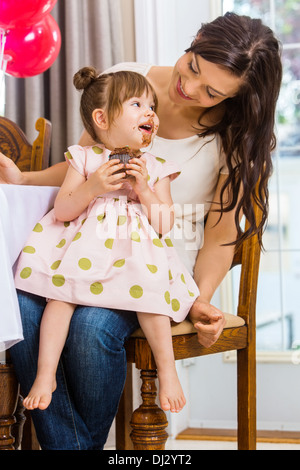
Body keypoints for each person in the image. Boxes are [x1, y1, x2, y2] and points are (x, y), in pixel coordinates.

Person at [0, 12, 282, 450]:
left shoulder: (235, 133)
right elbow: (86, 163)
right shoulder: (125, 83)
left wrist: (197, 300)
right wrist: (25, 180)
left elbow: (222, 234)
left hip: (156, 258)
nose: (189, 89)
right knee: (19, 303)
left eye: (211, 92)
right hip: (88, 243)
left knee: (91, 329)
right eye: (191, 66)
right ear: (196, 39)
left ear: (235, 97)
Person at [14, 67, 199, 413]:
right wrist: (93, 186)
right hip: (82, 253)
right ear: (102, 118)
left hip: (134, 259)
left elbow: (164, 224)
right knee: (59, 298)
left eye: (152, 106)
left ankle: (168, 370)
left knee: (151, 299)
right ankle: (45, 373)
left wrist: (144, 189)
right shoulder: (83, 159)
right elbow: (64, 209)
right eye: (137, 104)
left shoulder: (157, 167)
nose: (150, 113)